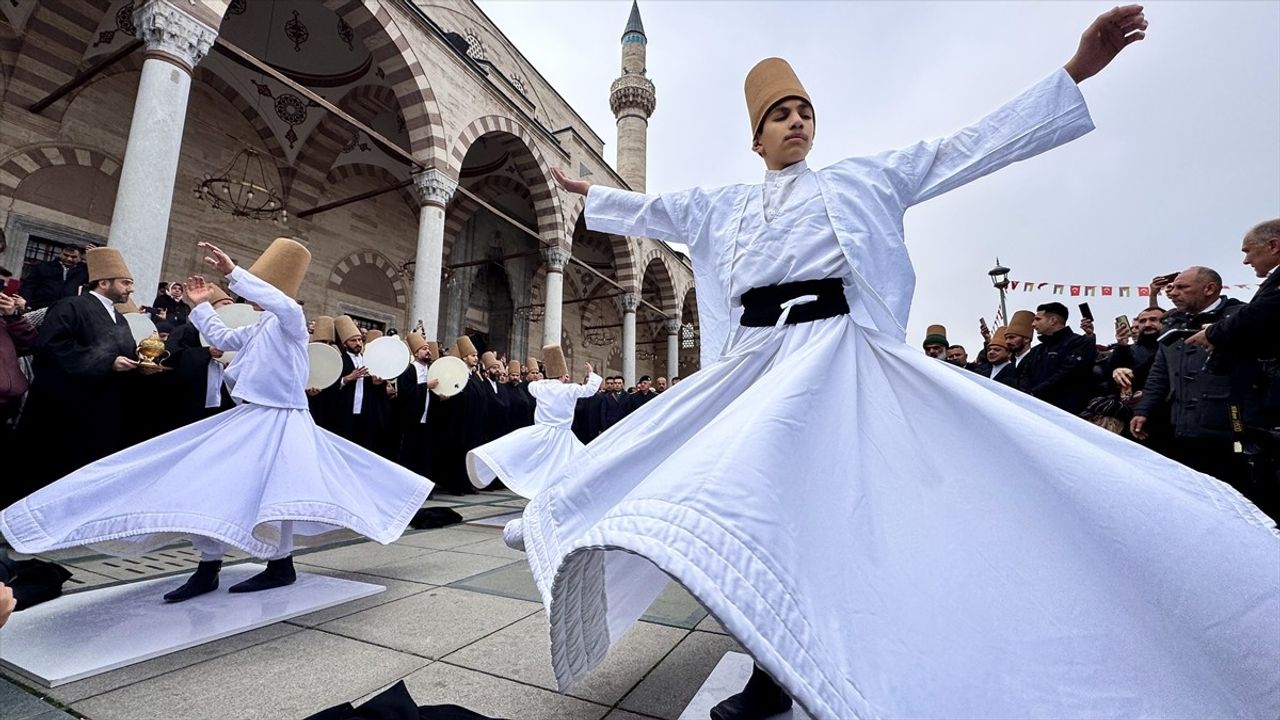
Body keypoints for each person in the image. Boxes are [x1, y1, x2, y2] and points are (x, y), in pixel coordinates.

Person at [520, 8, 1277, 718]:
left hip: (831, 362)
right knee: (728, 498)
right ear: (756, 138)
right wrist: (595, 197)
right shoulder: (726, 205)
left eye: (804, 111)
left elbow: (962, 147)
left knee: (816, 512)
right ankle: (742, 642)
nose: (796, 121)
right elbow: (662, 210)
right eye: (780, 115)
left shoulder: (862, 181)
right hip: (753, 365)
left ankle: (793, 664)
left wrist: (1075, 71)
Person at [0, 239, 432, 603]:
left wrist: (234, 270)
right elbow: (224, 338)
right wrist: (201, 306)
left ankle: (280, 566)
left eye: (253, 289)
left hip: (281, 422)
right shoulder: (262, 326)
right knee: (206, 482)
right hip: (250, 418)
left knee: (278, 497)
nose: (245, 295)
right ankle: (208, 566)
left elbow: (280, 303)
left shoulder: (290, 322)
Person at [8, 247, 145, 504]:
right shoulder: (69, 306)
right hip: (63, 408)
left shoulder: (120, 318)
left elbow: (121, 351)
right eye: (126, 282)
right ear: (104, 282)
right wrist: (108, 361)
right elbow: (52, 347)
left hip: (100, 407)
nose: (130, 289)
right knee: (47, 470)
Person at [467, 347, 600, 499]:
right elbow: (590, 390)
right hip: (562, 435)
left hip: (541, 433)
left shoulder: (538, 387)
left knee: (539, 462)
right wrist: (591, 373)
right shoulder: (569, 389)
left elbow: (532, 385)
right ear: (563, 375)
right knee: (571, 463)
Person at [19, 244, 87, 310]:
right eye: (66, 255)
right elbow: (29, 286)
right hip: (40, 307)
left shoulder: (84, 272)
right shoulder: (43, 267)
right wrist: (26, 302)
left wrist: (94, 256)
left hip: (67, 311)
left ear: (80, 258)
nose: (69, 259)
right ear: (60, 254)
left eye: (73, 257)